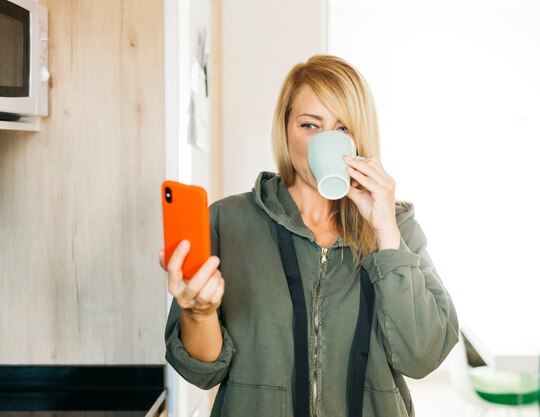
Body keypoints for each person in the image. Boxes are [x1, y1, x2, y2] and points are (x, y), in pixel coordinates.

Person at [160, 55, 459, 417]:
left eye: (343, 129)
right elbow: (201, 372)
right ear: (286, 130)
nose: (327, 141)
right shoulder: (228, 221)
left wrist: (386, 233)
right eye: (310, 125)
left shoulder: (398, 229)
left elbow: (423, 357)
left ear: (359, 137)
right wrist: (198, 313)